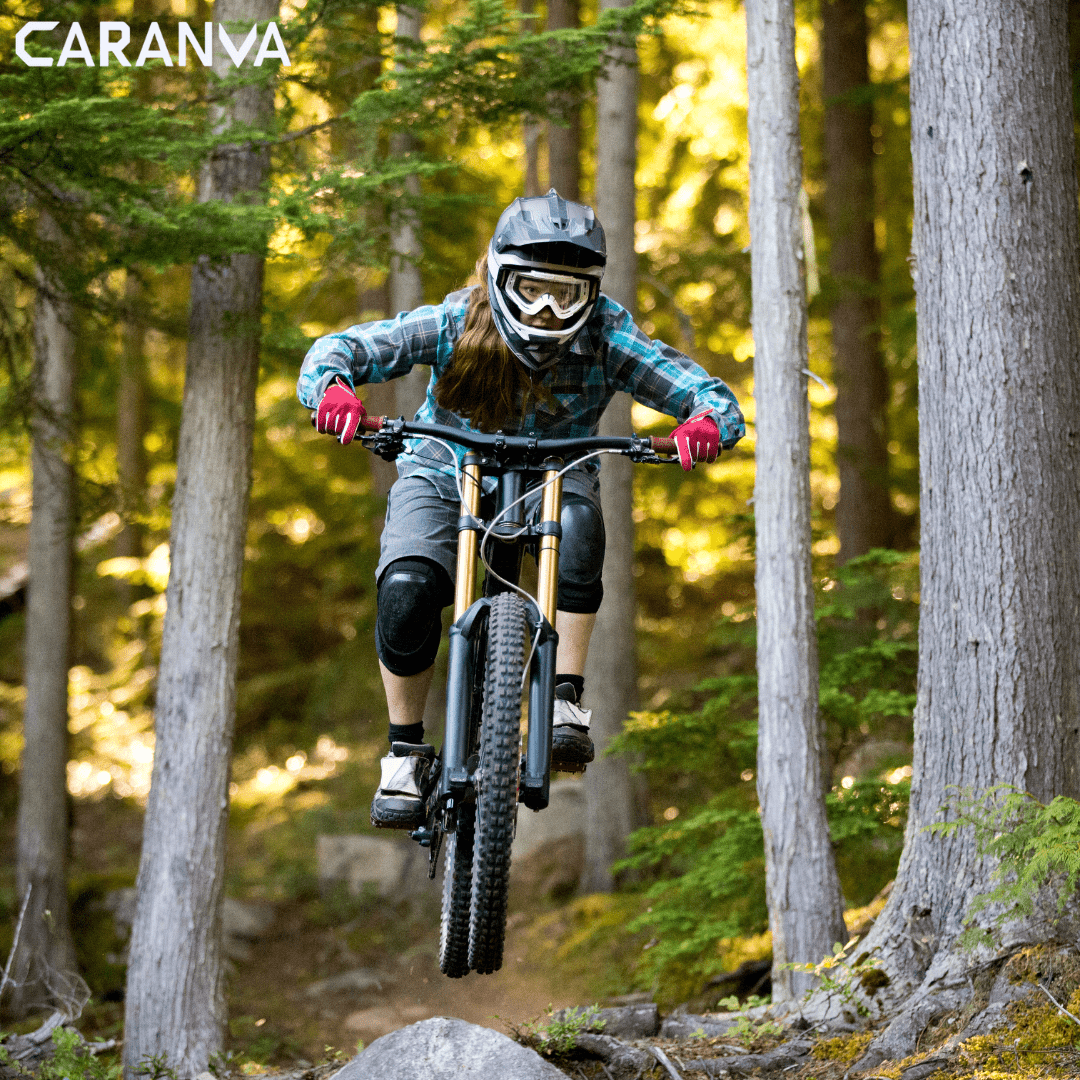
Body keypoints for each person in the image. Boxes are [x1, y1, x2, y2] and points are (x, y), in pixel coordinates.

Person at [298, 189, 744, 829]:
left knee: (583, 527)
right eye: (533, 289)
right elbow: (340, 349)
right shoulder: (455, 321)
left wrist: (703, 426)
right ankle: (402, 753)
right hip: (446, 465)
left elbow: (709, 395)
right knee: (407, 586)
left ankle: (564, 698)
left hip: (558, 473)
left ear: (589, 293)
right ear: (498, 276)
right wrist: (333, 391)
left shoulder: (608, 335)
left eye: (565, 294)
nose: (547, 309)